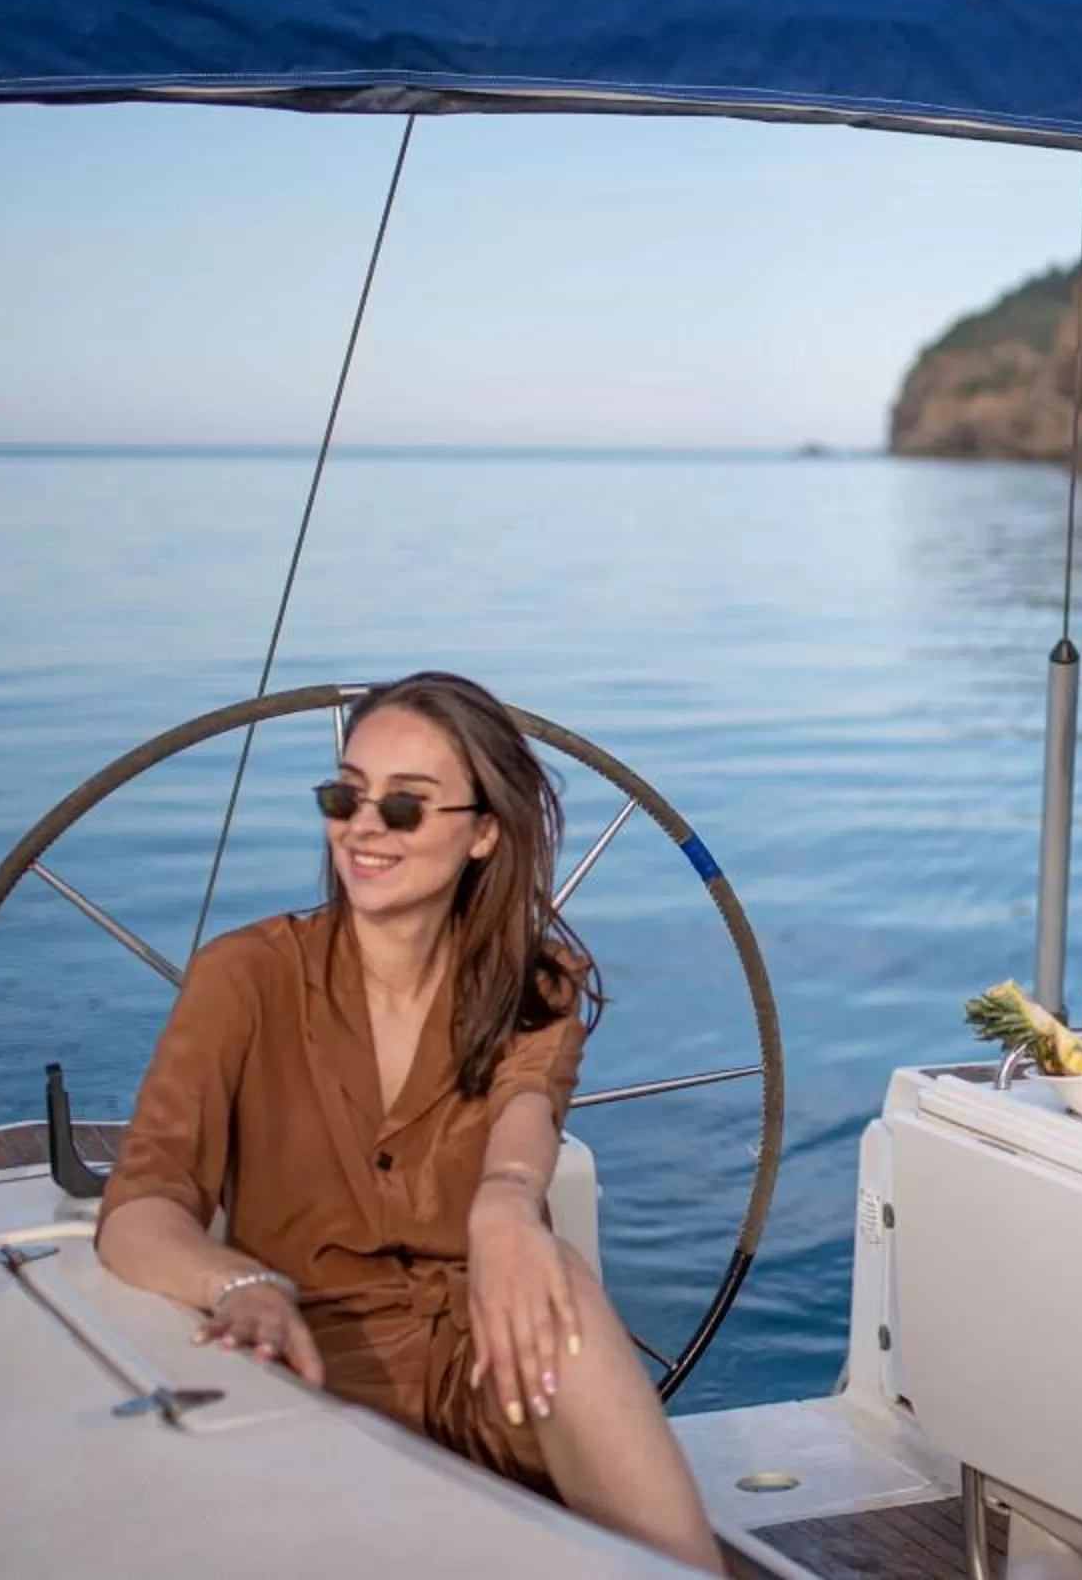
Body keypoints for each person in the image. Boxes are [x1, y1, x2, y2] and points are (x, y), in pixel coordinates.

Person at [97, 670, 723, 1574]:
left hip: (495, 1356)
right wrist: (237, 1285)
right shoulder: (243, 979)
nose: (362, 825)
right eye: (345, 794)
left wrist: (505, 1210)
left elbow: (526, 1119)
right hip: (309, 1363)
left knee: (559, 1291)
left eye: (404, 807)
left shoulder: (536, 983)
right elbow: (140, 1210)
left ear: (482, 835)